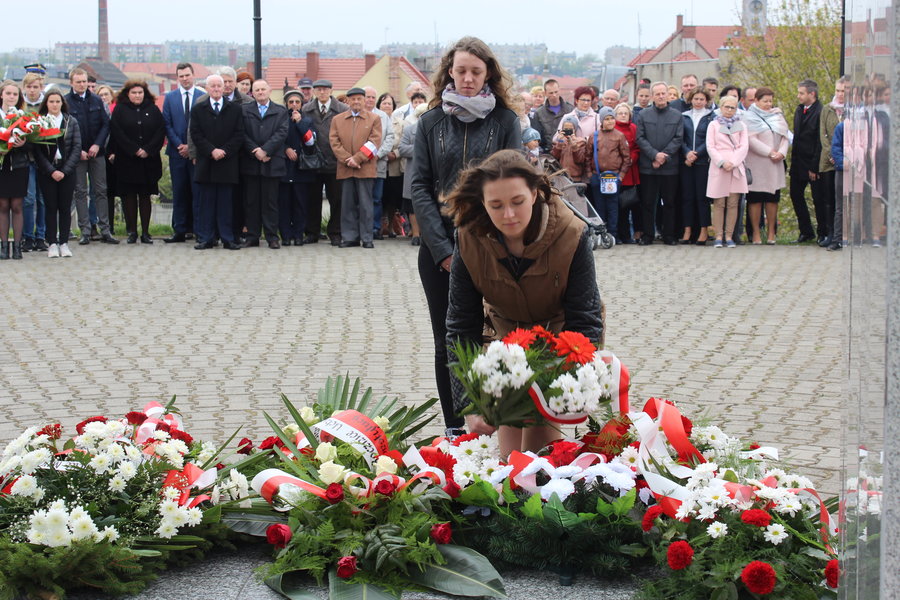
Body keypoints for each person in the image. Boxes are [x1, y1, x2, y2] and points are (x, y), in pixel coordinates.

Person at [444, 150, 603, 456]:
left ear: (534, 193)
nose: (509, 215)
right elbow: (460, 326)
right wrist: (468, 402)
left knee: (541, 449)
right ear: (482, 202)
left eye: (517, 202)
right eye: (496, 205)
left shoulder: (573, 233)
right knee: (510, 451)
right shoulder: (467, 239)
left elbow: (586, 320)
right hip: (505, 342)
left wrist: (566, 386)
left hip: (560, 342)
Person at [410, 36, 521, 438]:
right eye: (461, 71)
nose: (469, 78)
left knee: (497, 336)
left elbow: (515, 183)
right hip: (439, 250)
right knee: (448, 341)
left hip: (493, 248)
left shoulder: (506, 121)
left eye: (476, 71)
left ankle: (501, 422)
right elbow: (419, 187)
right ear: (449, 73)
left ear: (488, 72)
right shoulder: (429, 122)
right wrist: (442, 250)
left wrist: (492, 244)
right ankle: (457, 429)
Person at [190, 73, 245, 250]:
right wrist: (211, 150)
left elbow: (239, 134)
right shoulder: (199, 108)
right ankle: (206, 238)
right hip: (207, 162)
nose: (216, 89)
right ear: (207, 88)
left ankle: (228, 238)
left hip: (227, 163)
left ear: (224, 88)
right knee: (206, 203)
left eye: (219, 86)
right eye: (212, 86)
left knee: (226, 204)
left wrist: (224, 151)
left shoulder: (235, 109)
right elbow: (195, 134)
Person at [109, 80, 165, 245]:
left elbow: (160, 130)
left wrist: (147, 149)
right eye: (134, 93)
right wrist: (133, 149)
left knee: (145, 196)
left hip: (148, 160)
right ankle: (132, 231)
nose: (137, 95)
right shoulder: (120, 110)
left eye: (140, 92)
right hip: (127, 160)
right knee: (129, 196)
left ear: (145, 93)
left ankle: (146, 232)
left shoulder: (153, 109)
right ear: (128, 94)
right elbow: (117, 132)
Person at [65, 68, 118, 245]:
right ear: (71, 82)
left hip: (97, 153)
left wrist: (97, 144)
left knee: (101, 191)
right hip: (77, 155)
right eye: (78, 82)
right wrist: (77, 149)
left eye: (84, 81)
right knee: (80, 192)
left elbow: (105, 125)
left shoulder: (96, 100)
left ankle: (105, 229)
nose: (82, 85)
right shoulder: (66, 102)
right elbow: (65, 129)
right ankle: (85, 230)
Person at [329, 87, 382, 248]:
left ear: (365, 100)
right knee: (347, 204)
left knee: (366, 205)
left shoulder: (374, 118)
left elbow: (374, 142)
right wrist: (347, 159)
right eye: (353, 99)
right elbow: (334, 142)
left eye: (359, 98)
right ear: (348, 101)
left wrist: (358, 158)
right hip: (345, 169)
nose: (356, 102)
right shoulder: (337, 120)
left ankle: (367, 238)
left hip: (364, 168)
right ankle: (350, 237)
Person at [241, 79, 289, 249]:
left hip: (272, 162)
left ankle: (271, 237)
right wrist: (255, 150)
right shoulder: (244, 110)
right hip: (251, 162)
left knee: (271, 202)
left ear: (269, 90)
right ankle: (252, 236)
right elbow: (242, 133)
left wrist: (266, 150)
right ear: (252, 93)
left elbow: (282, 133)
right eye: (257, 90)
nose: (260, 92)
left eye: (263, 89)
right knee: (251, 201)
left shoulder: (280, 111)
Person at [34, 88, 80, 258]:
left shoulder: (71, 121)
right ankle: (52, 242)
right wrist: (51, 170)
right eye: (51, 101)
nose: (54, 105)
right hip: (48, 171)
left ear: (62, 103)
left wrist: (65, 170)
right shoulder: (40, 122)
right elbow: (37, 151)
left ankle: (64, 242)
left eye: (57, 101)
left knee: (65, 207)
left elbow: (76, 147)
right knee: (50, 207)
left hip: (67, 170)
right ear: (46, 103)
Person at [301, 79, 348, 245]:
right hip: (313, 161)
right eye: (319, 89)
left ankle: (335, 232)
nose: (322, 92)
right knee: (312, 199)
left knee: (337, 199)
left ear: (331, 90)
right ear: (314, 91)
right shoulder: (306, 109)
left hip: (335, 161)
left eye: (325, 89)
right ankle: (312, 232)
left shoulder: (342, 109)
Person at [636, 81, 683, 245]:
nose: (661, 96)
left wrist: (664, 156)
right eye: (657, 94)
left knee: (669, 202)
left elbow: (678, 139)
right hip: (648, 167)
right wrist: (655, 155)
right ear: (652, 96)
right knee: (648, 203)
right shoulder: (643, 115)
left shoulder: (677, 115)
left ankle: (668, 235)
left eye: (663, 93)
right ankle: (648, 235)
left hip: (670, 167)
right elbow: (640, 138)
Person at [162, 62, 205, 244]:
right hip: (176, 153)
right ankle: (179, 230)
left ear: (193, 75)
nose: (185, 79)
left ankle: (199, 230)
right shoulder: (170, 98)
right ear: (177, 78)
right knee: (179, 192)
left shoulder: (202, 96)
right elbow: (167, 124)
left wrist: (191, 146)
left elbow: (204, 126)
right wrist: (180, 145)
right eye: (181, 76)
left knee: (198, 192)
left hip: (197, 154)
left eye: (187, 75)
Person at [743, 86, 789, 245]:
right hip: (757, 163)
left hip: (775, 164)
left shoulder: (777, 115)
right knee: (755, 199)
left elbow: (785, 137)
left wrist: (782, 153)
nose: (768, 104)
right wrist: (770, 152)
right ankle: (756, 233)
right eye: (765, 101)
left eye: (770, 101)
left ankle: (771, 233)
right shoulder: (749, 117)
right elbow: (751, 140)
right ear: (756, 101)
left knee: (772, 199)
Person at [706, 96, 749, 248]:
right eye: (727, 107)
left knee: (733, 203)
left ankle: (729, 235)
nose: (729, 110)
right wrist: (722, 162)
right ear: (721, 107)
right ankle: (718, 236)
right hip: (720, 166)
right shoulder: (713, 125)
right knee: (719, 203)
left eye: (733, 108)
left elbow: (744, 146)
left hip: (735, 167)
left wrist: (734, 162)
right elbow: (710, 146)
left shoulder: (741, 125)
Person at [277, 89, 317, 247]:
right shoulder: (280, 119)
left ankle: (299, 234)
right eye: (291, 102)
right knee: (284, 204)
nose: (294, 105)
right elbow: (276, 139)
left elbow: (310, 142)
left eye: (297, 102)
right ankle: (285, 235)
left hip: (302, 168)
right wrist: (285, 149)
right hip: (284, 168)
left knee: (300, 204)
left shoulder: (307, 120)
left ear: (302, 104)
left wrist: (300, 123)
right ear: (286, 104)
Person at [789, 79, 825, 244]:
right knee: (795, 195)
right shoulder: (799, 110)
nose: (798, 96)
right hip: (798, 163)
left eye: (802, 93)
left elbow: (820, 142)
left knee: (819, 199)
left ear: (812, 94)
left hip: (813, 163)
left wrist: (814, 167)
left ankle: (823, 232)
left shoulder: (821, 111)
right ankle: (806, 231)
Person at [588, 107, 631, 242]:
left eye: (612, 118)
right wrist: (590, 174)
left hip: (613, 177)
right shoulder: (594, 136)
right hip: (597, 176)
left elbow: (626, 158)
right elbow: (587, 157)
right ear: (601, 121)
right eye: (606, 119)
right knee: (599, 207)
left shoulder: (619, 136)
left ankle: (613, 234)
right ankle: (601, 233)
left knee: (613, 206)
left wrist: (621, 175)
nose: (610, 121)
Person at [680, 89, 715, 244]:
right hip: (686, 162)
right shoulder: (684, 117)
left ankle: (703, 230)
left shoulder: (711, 118)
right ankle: (687, 229)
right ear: (691, 99)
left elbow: (710, 140)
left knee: (702, 198)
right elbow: (679, 138)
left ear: (706, 101)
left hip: (703, 162)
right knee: (687, 197)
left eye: (702, 99)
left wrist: (697, 154)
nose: (699, 101)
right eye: (696, 98)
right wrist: (687, 153)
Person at [0, 81, 30, 259]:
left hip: (19, 166)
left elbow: (34, 145)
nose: (11, 97)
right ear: (1, 95)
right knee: (3, 205)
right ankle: (4, 246)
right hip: (2, 167)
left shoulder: (23, 117)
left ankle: (17, 246)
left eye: (15, 94)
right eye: (8, 93)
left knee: (17, 205)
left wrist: (24, 144)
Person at [817, 76, 847, 248]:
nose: (840, 94)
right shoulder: (828, 109)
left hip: (848, 159)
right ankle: (831, 233)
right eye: (838, 90)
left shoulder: (855, 110)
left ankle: (844, 234)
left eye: (844, 91)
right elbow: (824, 134)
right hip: (829, 159)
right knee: (829, 199)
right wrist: (831, 154)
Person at [363, 86, 395, 241]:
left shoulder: (383, 116)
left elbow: (390, 138)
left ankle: (375, 228)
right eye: (367, 96)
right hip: (360, 165)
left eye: (372, 97)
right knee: (362, 198)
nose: (369, 100)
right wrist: (361, 156)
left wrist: (378, 154)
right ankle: (362, 228)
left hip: (378, 163)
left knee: (377, 198)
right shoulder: (358, 115)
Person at [22, 72, 47, 253]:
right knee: (28, 199)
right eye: (29, 87)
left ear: (41, 88)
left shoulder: (46, 106)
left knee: (43, 199)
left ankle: (41, 236)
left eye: (35, 87)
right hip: (26, 159)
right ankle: (27, 236)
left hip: (44, 160)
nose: (32, 91)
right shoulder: (20, 107)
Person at [397, 99, 428, 246]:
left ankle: (426, 234)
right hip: (413, 171)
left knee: (427, 203)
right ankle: (415, 234)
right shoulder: (410, 130)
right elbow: (402, 149)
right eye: (421, 114)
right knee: (412, 205)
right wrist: (420, 149)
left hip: (430, 172)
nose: (423, 117)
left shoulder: (435, 130)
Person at [614, 102, 641, 243]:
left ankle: (635, 232)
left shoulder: (634, 128)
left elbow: (637, 147)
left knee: (633, 202)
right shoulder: (612, 128)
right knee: (620, 205)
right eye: (620, 113)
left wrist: (633, 158)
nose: (623, 115)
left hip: (631, 169)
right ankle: (621, 234)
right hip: (617, 171)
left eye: (626, 113)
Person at [377, 92, 403, 237]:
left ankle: (391, 226)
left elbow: (405, 141)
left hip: (394, 165)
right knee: (379, 197)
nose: (386, 106)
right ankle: (380, 226)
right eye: (384, 103)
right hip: (378, 162)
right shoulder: (375, 119)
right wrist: (383, 152)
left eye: (389, 103)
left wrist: (396, 153)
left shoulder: (399, 122)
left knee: (392, 198)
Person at [533, 79, 574, 151]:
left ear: (559, 90)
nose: (554, 95)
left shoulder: (570, 110)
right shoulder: (539, 113)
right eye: (551, 93)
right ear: (545, 93)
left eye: (556, 92)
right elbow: (537, 136)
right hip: (548, 152)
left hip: (567, 151)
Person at [551, 116, 591, 186]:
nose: (567, 131)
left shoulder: (581, 142)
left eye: (570, 129)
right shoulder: (559, 141)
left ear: (575, 129)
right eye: (565, 129)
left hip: (576, 178)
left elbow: (580, 160)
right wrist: (559, 143)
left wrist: (574, 146)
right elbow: (554, 158)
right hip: (561, 177)